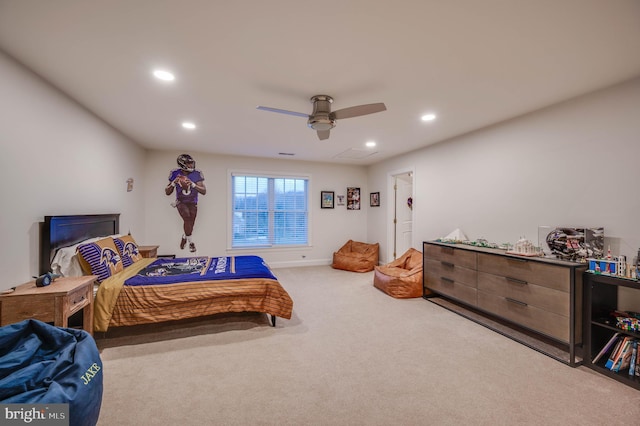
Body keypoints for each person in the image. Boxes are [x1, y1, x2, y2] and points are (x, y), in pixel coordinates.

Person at [165, 154, 206, 252]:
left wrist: (193, 184)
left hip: (193, 202)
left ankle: (184, 236)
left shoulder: (197, 173)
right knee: (187, 217)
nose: (191, 165)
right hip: (181, 201)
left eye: (192, 163)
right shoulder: (175, 173)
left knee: (191, 223)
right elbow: (167, 192)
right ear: (182, 164)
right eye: (188, 163)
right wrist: (173, 183)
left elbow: (204, 191)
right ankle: (191, 243)